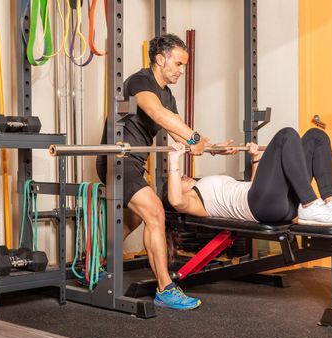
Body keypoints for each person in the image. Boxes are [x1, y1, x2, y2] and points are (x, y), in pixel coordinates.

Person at [96, 34, 233, 310]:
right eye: (179, 64)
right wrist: (195, 139)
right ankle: (165, 288)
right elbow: (157, 115)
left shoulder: (168, 96)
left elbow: (178, 130)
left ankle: (93, 261)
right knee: (156, 211)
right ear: (160, 59)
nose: (182, 71)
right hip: (116, 161)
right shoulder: (140, 81)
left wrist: (212, 147)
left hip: (135, 164)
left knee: (132, 221)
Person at [166, 127, 332, 225]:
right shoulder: (192, 201)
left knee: (316, 137)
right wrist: (174, 159)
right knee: (286, 136)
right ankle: (310, 204)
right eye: (178, 180)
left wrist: (255, 159)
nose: (183, 176)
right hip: (262, 208)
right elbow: (175, 200)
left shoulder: (203, 186)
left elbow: (256, 186)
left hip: (275, 202)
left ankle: (330, 200)